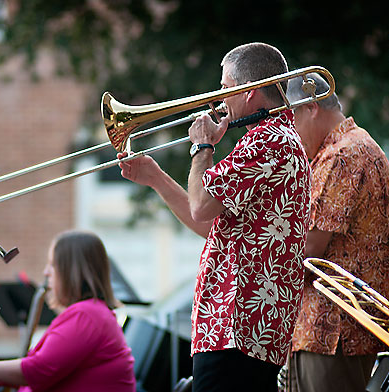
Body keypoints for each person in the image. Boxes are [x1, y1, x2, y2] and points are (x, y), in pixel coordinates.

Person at [117, 42, 311, 391]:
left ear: (249, 92)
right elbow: (210, 225)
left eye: (224, 88)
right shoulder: (274, 140)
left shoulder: (267, 141)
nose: (220, 99)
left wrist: (202, 147)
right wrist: (156, 178)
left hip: (237, 328)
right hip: (242, 330)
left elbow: (201, 205)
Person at [283, 73, 389, 392]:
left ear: (311, 108)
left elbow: (305, 253)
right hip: (334, 335)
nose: (289, 134)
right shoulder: (350, 147)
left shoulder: (342, 156)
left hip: (332, 334)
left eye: (289, 120)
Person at [0, 230, 136, 392]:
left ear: (72, 271)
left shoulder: (86, 315)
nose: (46, 272)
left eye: (52, 264)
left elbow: (37, 370)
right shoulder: (91, 312)